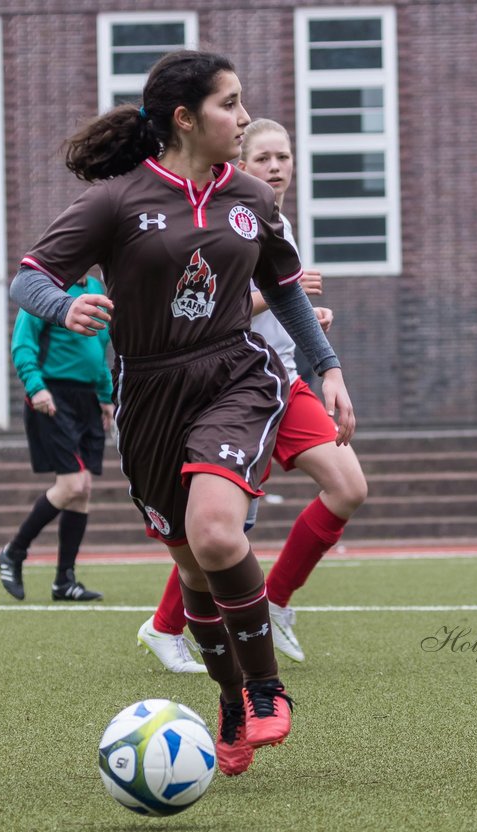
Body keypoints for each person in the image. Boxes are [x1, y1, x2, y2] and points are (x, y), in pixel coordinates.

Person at [10, 50, 355, 776]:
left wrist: (326, 368)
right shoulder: (117, 201)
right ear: (184, 118)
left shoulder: (254, 200)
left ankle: (264, 687)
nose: (241, 115)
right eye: (230, 104)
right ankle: (229, 699)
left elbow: (287, 290)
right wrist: (66, 305)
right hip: (147, 399)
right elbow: (30, 278)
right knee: (196, 571)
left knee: (217, 534)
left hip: (235, 377)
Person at [137, 118, 368, 672]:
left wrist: (308, 321)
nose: (275, 167)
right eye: (263, 157)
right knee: (222, 525)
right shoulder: (227, 218)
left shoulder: (277, 221)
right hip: (235, 386)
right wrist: (282, 298)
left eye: (283, 157)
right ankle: (166, 628)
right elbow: (215, 307)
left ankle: (278, 602)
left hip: (283, 379)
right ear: (241, 164)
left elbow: (275, 304)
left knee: (349, 487)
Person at [0, 275, 114, 603]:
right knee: (73, 486)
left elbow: (99, 348)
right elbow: (22, 344)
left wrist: (106, 396)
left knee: (83, 491)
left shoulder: (95, 289)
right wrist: (36, 388)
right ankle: (14, 551)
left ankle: (65, 580)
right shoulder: (43, 289)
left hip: (88, 398)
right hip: (52, 394)